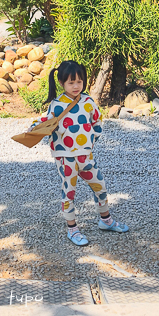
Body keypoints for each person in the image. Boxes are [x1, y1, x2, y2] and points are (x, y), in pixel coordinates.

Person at [25, 60, 129, 246]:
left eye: (79, 82)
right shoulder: (56, 105)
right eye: (71, 82)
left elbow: (97, 122)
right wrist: (33, 129)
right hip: (65, 158)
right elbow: (44, 122)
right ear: (61, 83)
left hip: (86, 156)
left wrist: (91, 141)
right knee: (69, 192)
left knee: (100, 186)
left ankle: (106, 220)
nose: (75, 86)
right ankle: (72, 229)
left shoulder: (88, 102)